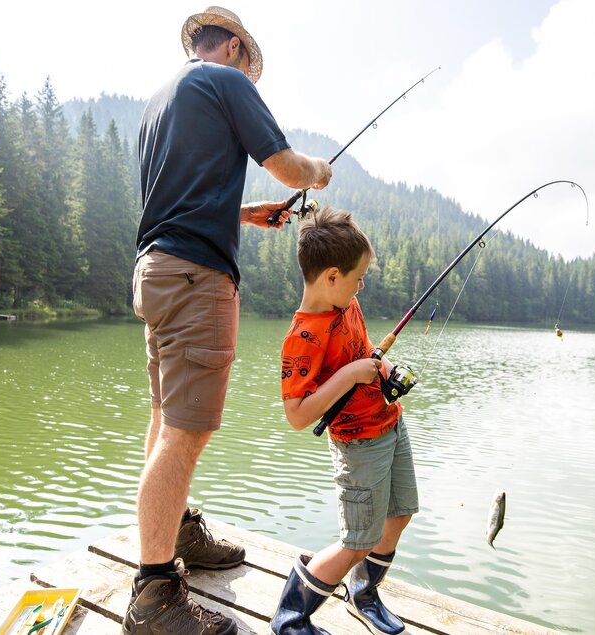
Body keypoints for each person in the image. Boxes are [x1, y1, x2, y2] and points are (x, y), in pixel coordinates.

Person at [124, 7, 333, 635]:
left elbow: (177, 197)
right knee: (185, 432)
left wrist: (243, 214)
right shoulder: (225, 81)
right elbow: (288, 165)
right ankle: (154, 597)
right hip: (196, 277)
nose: (249, 76)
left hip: (157, 271)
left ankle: (176, 534)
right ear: (235, 47)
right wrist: (318, 173)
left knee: (165, 418)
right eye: (249, 65)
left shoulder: (159, 100)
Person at [271, 207, 418, 635]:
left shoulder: (347, 303)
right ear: (332, 276)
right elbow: (297, 415)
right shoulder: (302, 338)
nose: (361, 286)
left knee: (400, 514)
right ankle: (290, 618)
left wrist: (384, 369)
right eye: (358, 277)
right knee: (357, 542)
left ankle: (363, 594)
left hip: (390, 423)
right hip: (358, 444)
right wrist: (350, 375)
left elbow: (363, 350)